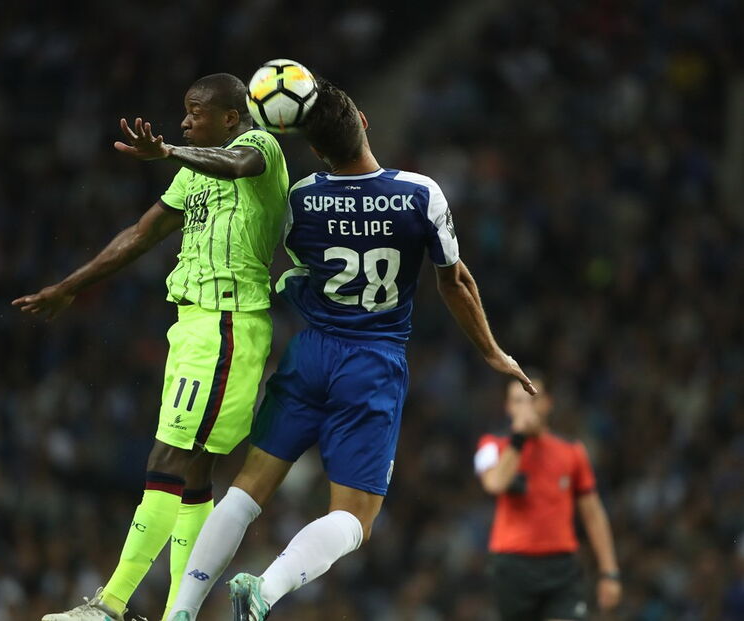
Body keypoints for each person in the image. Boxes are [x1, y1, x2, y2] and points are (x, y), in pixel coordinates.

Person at [165, 79, 535, 621]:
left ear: (315, 150)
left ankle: (182, 609)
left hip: (309, 352)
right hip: (372, 363)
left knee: (246, 490)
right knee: (356, 517)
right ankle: (264, 590)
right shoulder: (419, 193)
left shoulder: (302, 198)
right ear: (363, 120)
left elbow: (293, 263)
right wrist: (492, 352)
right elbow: (454, 282)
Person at [12, 73, 289, 621]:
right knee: (193, 472)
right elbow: (143, 232)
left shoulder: (260, 146)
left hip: (227, 324)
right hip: (193, 326)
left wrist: (166, 151)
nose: (184, 119)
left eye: (195, 111)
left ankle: (109, 605)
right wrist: (71, 285)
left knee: (169, 456)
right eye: (183, 113)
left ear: (231, 117)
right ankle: (175, 614)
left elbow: (236, 165)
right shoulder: (192, 171)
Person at [475, 372, 621, 620]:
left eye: (532, 399)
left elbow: (593, 514)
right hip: (512, 566)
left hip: (561, 566)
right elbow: (495, 483)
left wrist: (609, 572)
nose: (526, 409)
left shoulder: (572, 452)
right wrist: (518, 439)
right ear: (508, 407)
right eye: (518, 401)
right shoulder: (491, 445)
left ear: (547, 403)